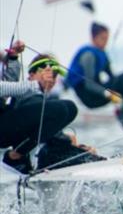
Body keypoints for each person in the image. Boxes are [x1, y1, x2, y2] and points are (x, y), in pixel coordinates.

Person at [0, 43, 93, 174]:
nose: (52, 79)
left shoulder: (36, 96)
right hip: (4, 129)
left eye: (55, 76)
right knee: (64, 109)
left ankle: (19, 159)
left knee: (70, 108)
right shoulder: (30, 96)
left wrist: (13, 58)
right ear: (31, 74)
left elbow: (8, 86)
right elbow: (6, 88)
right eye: (47, 72)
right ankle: (15, 158)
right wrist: (66, 140)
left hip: (8, 127)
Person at [64, 22, 123, 129]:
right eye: (103, 38)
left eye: (107, 39)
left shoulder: (102, 54)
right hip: (89, 97)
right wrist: (110, 94)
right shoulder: (88, 55)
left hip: (99, 92)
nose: (105, 42)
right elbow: (89, 85)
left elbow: (113, 77)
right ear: (93, 38)